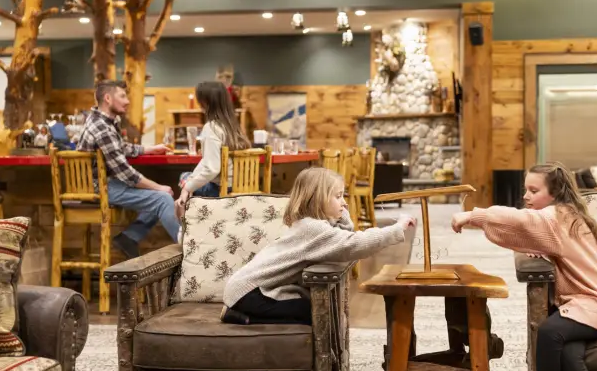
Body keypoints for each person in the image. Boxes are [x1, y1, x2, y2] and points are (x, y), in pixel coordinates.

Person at [451, 162, 597, 371]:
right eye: (526, 190)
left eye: (534, 191)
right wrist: (541, 250)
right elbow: (541, 238)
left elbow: (519, 220)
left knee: (549, 332)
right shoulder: (566, 215)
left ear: (555, 193)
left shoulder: (555, 217)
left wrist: (473, 215)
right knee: (569, 354)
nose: (526, 196)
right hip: (590, 303)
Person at [220, 167, 416, 325]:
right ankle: (240, 315)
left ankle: (240, 313)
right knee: (314, 313)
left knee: (311, 309)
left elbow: (345, 235)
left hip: (248, 290)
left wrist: (342, 213)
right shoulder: (313, 230)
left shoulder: (313, 225)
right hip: (249, 292)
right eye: (338, 196)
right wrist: (396, 229)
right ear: (318, 198)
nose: (344, 202)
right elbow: (353, 244)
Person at [77, 80, 179, 258]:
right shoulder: (101, 127)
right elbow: (125, 173)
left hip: (104, 183)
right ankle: (191, 249)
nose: (127, 101)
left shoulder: (103, 121)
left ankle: (129, 238)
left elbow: (119, 148)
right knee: (162, 199)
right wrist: (158, 187)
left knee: (158, 198)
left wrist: (149, 149)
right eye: (122, 96)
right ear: (108, 98)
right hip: (99, 188)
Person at [175, 81, 250, 218]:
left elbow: (211, 168)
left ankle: (190, 224)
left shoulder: (211, 128)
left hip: (221, 190)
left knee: (183, 177)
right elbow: (206, 162)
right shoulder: (234, 127)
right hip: (242, 188)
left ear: (205, 102)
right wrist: (191, 181)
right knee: (189, 178)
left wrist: (187, 187)